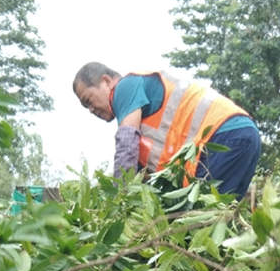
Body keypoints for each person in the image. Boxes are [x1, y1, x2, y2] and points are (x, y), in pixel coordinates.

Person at [73, 62, 261, 197]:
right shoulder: (141, 120)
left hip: (223, 138)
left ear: (106, 81)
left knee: (200, 227)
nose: (90, 110)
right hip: (240, 136)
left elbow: (126, 144)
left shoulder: (125, 87)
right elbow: (139, 175)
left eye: (88, 100)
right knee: (220, 220)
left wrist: (118, 199)